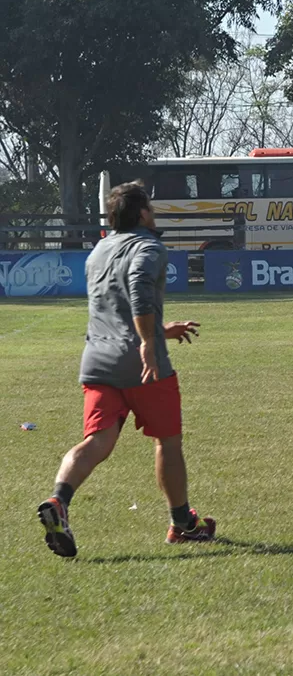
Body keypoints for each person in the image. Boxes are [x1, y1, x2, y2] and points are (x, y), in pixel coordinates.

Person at [36, 181, 217, 557]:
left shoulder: (99, 251)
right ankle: (182, 524)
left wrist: (160, 330)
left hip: (97, 361)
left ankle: (58, 500)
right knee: (167, 442)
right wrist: (149, 341)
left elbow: (114, 307)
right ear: (142, 213)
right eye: (151, 206)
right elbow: (137, 286)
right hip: (142, 365)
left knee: (96, 442)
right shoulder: (149, 246)